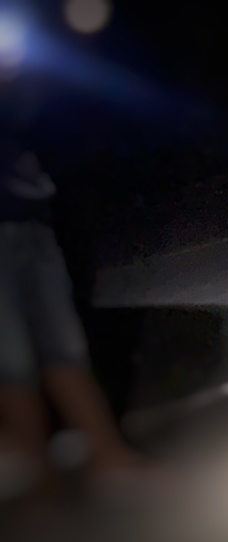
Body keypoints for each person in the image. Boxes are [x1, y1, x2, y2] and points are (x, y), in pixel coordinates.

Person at [1, 58, 155, 503]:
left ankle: (108, 458)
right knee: (11, 360)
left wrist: (16, 82)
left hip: (29, 217)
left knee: (63, 345)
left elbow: (37, 119)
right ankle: (42, 485)